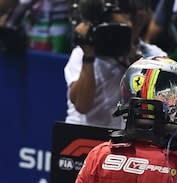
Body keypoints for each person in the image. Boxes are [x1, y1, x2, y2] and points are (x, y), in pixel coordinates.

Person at [65, 0, 165, 129]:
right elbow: (82, 106)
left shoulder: (153, 56)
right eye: (123, 12)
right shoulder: (82, 53)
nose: (131, 18)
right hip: (84, 135)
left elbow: (161, 110)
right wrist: (88, 57)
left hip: (123, 141)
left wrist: (134, 61)